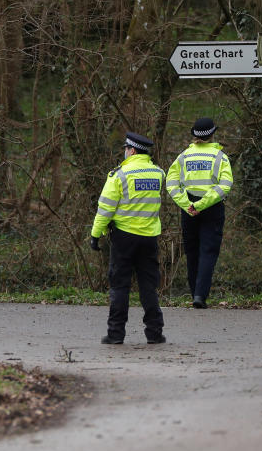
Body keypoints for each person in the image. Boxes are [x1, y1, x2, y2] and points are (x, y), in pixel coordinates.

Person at [90, 132, 166, 345]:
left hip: (124, 239)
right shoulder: (158, 173)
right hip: (149, 238)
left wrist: (96, 235)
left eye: (126, 148)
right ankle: (155, 333)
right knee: (148, 286)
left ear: (131, 150)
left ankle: (115, 334)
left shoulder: (120, 175)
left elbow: (105, 208)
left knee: (120, 286)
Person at [166, 117, 233, 308]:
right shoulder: (220, 157)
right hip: (212, 208)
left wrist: (186, 203)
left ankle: (194, 292)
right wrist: (202, 204)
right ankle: (200, 296)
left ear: (194, 135)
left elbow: (170, 182)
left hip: (188, 208)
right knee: (208, 252)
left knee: (192, 251)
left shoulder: (184, 156)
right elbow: (225, 185)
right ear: (212, 134)